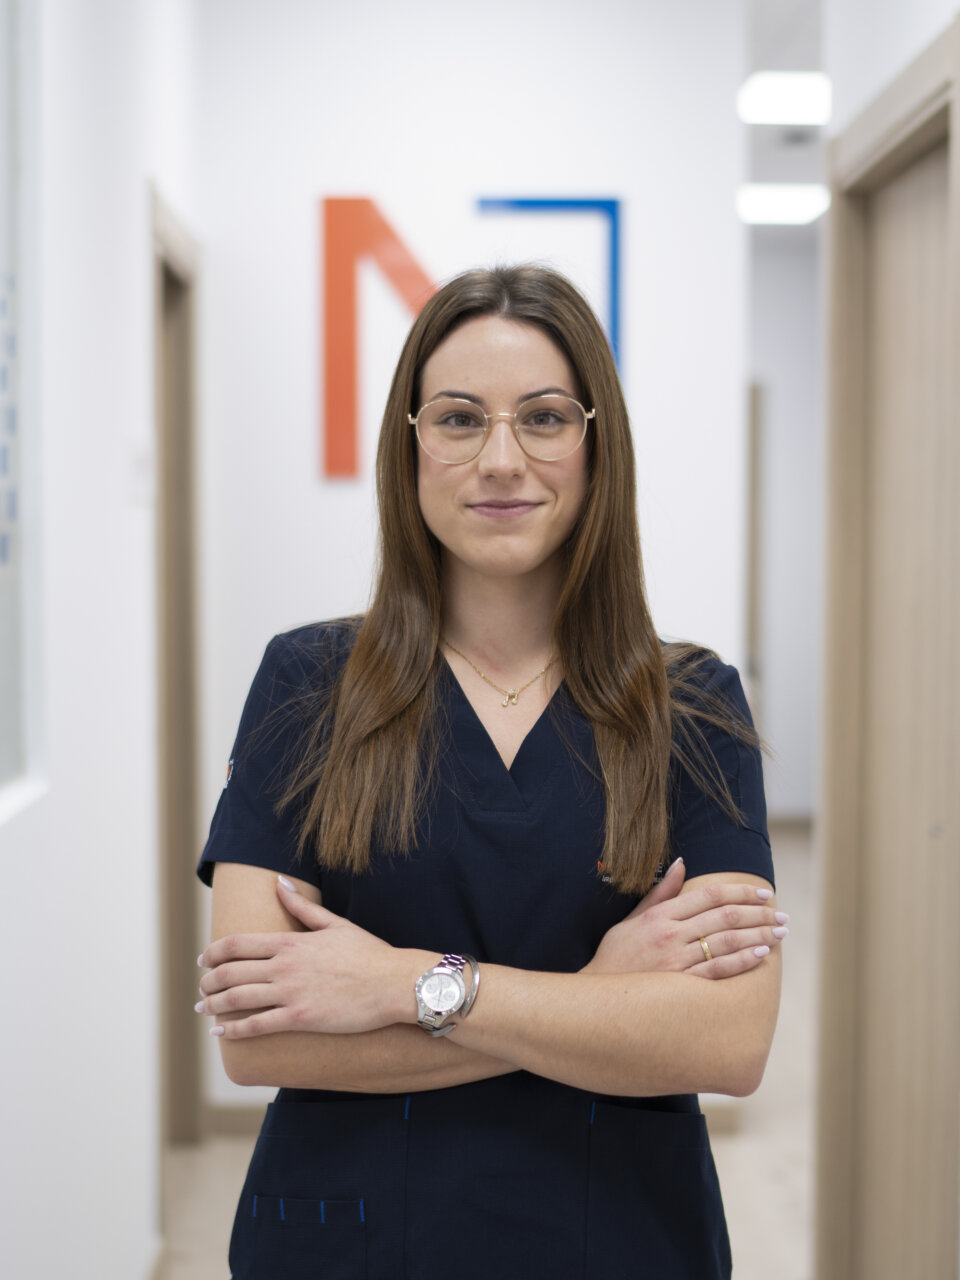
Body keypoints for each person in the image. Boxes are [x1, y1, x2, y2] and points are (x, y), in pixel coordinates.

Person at [195, 264, 785, 1279]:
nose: (502, 459)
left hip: (618, 1239)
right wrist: (597, 1002)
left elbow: (726, 1042)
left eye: (545, 417)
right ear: (412, 443)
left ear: (597, 446)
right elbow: (259, 1039)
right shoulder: (307, 684)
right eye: (461, 419)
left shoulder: (692, 705)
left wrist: (399, 984)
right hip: (349, 1244)